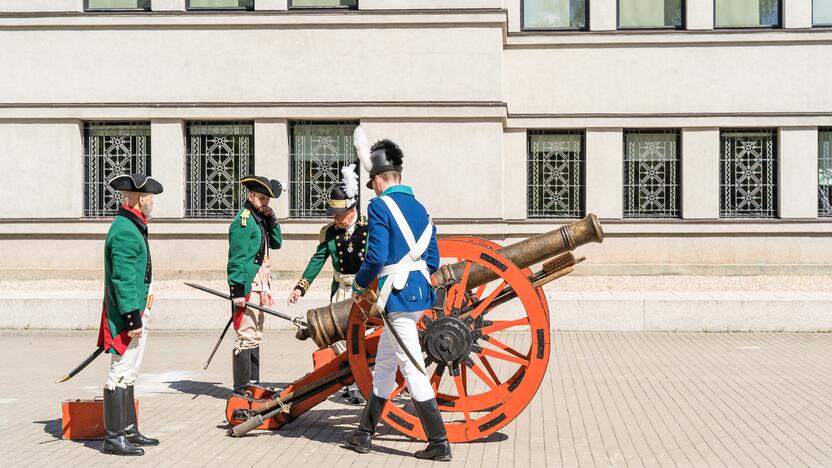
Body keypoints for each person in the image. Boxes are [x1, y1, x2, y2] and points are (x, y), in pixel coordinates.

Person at [344, 131, 451, 461]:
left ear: (377, 181)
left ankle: (439, 442)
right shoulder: (422, 208)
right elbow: (432, 259)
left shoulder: (379, 206)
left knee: (412, 366)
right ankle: (364, 434)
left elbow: (375, 257)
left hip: (398, 300)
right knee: (387, 364)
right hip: (419, 297)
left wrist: (360, 284)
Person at [288, 164, 367, 404]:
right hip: (341, 290)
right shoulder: (330, 233)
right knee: (340, 337)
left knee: (365, 336)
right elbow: (317, 260)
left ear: (351, 210)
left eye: (338, 214)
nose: (335, 218)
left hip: (365, 290)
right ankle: (351, 381)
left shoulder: (369, 228)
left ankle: (362, 379)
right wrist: (300, 287)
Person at [97, 173, 163, 456]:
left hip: (136, 309)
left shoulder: (132, 225)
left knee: (130, 371)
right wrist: (132, 319)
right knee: (120, 372)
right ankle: (113, 438)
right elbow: (122, 279)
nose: (152, 203)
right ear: (137, 199)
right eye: (150, 199)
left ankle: (129, 430)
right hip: (127, 314)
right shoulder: (125, 229)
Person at [227, 176, 283, 395]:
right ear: (250, 196)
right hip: (249, 284)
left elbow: (277, 244)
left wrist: (272, 221)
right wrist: (237, 291)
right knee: (245, 335)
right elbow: (236, 260)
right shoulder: (244, 221)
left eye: (267, 199)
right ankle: (241, 389)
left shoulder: (259, 219)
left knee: (256, 334)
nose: (265, 203)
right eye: (261, 198)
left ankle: (253, 384)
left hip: (262, 283)